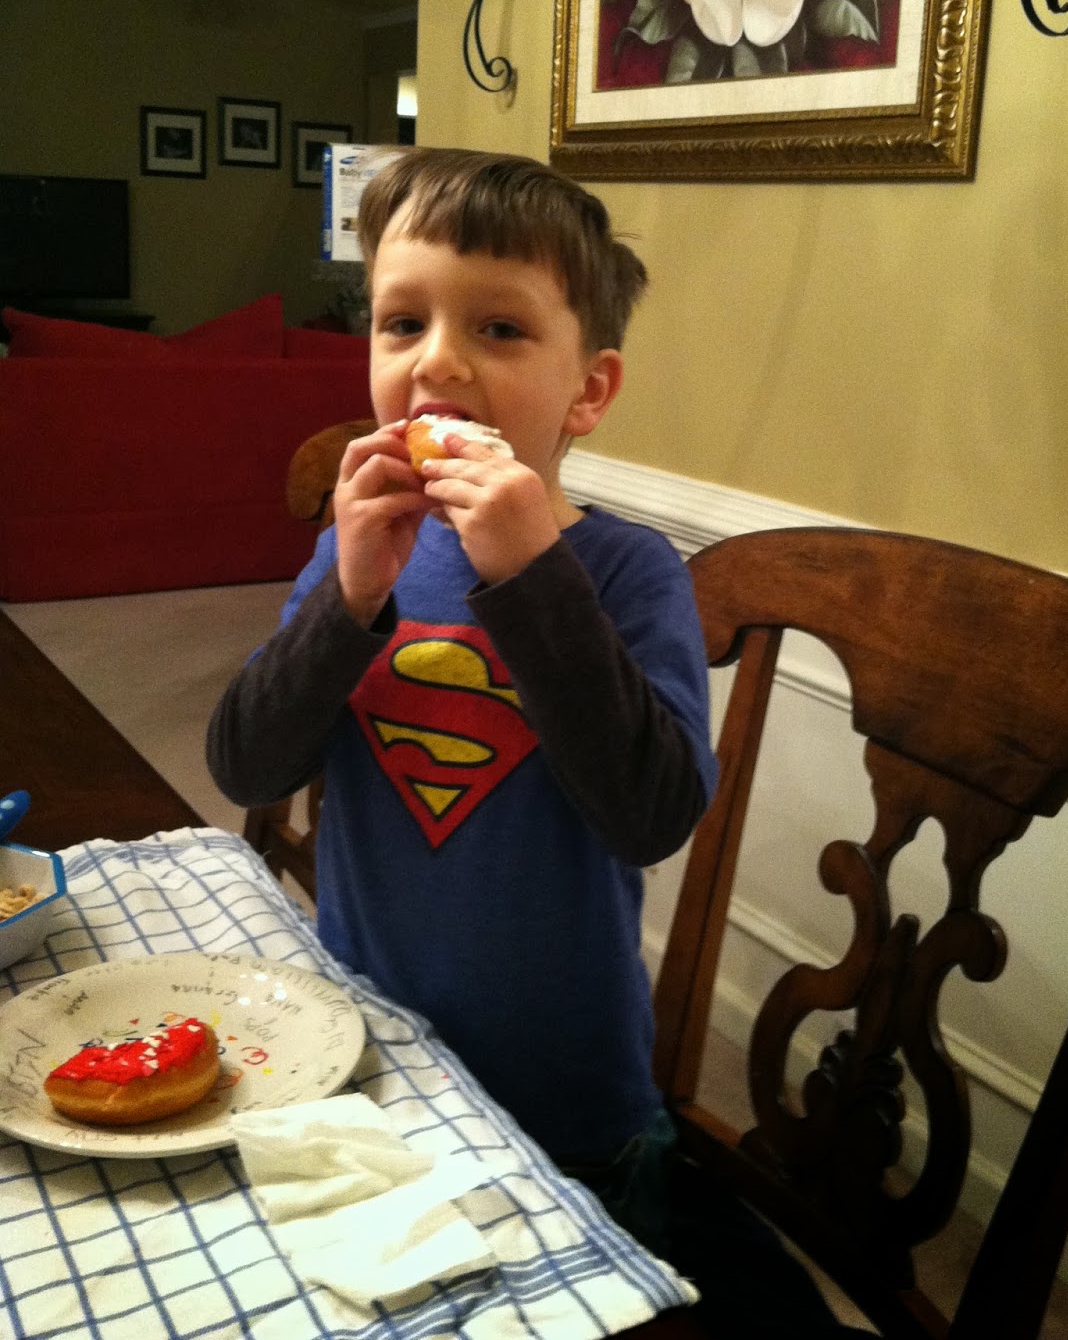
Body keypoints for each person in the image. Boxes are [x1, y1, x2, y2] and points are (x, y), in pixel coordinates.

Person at [206, 146, 718, 1247]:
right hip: (369, 1054)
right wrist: (348, 595)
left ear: (589, 391)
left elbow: (651, 814)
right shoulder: (351, 554)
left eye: (498, 328)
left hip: (566, 1097)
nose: (436, 361)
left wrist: (532, 575)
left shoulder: (629, 574)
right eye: (402, 323)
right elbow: (247, 767)